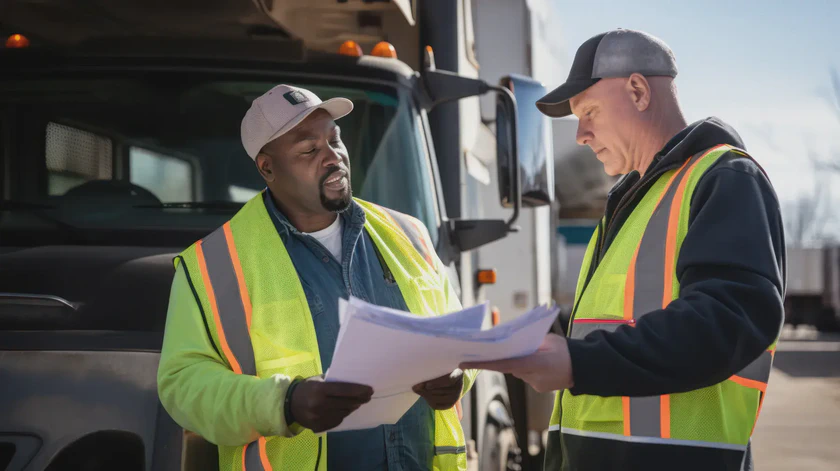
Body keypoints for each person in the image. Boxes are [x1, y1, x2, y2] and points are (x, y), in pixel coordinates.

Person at [462, 29, 785, 471]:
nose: (581, 134)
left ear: (637, 91)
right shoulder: (633, 202)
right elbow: (619, 321)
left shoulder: (726, 178)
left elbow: (729, 320)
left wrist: (579, 362)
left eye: (589, 111)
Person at [158, 84, 476, 471]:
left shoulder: (408, 234)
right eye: (309, 150)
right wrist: (285, 403)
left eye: (335, 140)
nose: (333, 157)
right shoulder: (213, 264)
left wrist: (458, 374)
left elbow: (459, 338)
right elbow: (183, 385)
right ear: (267, 168)